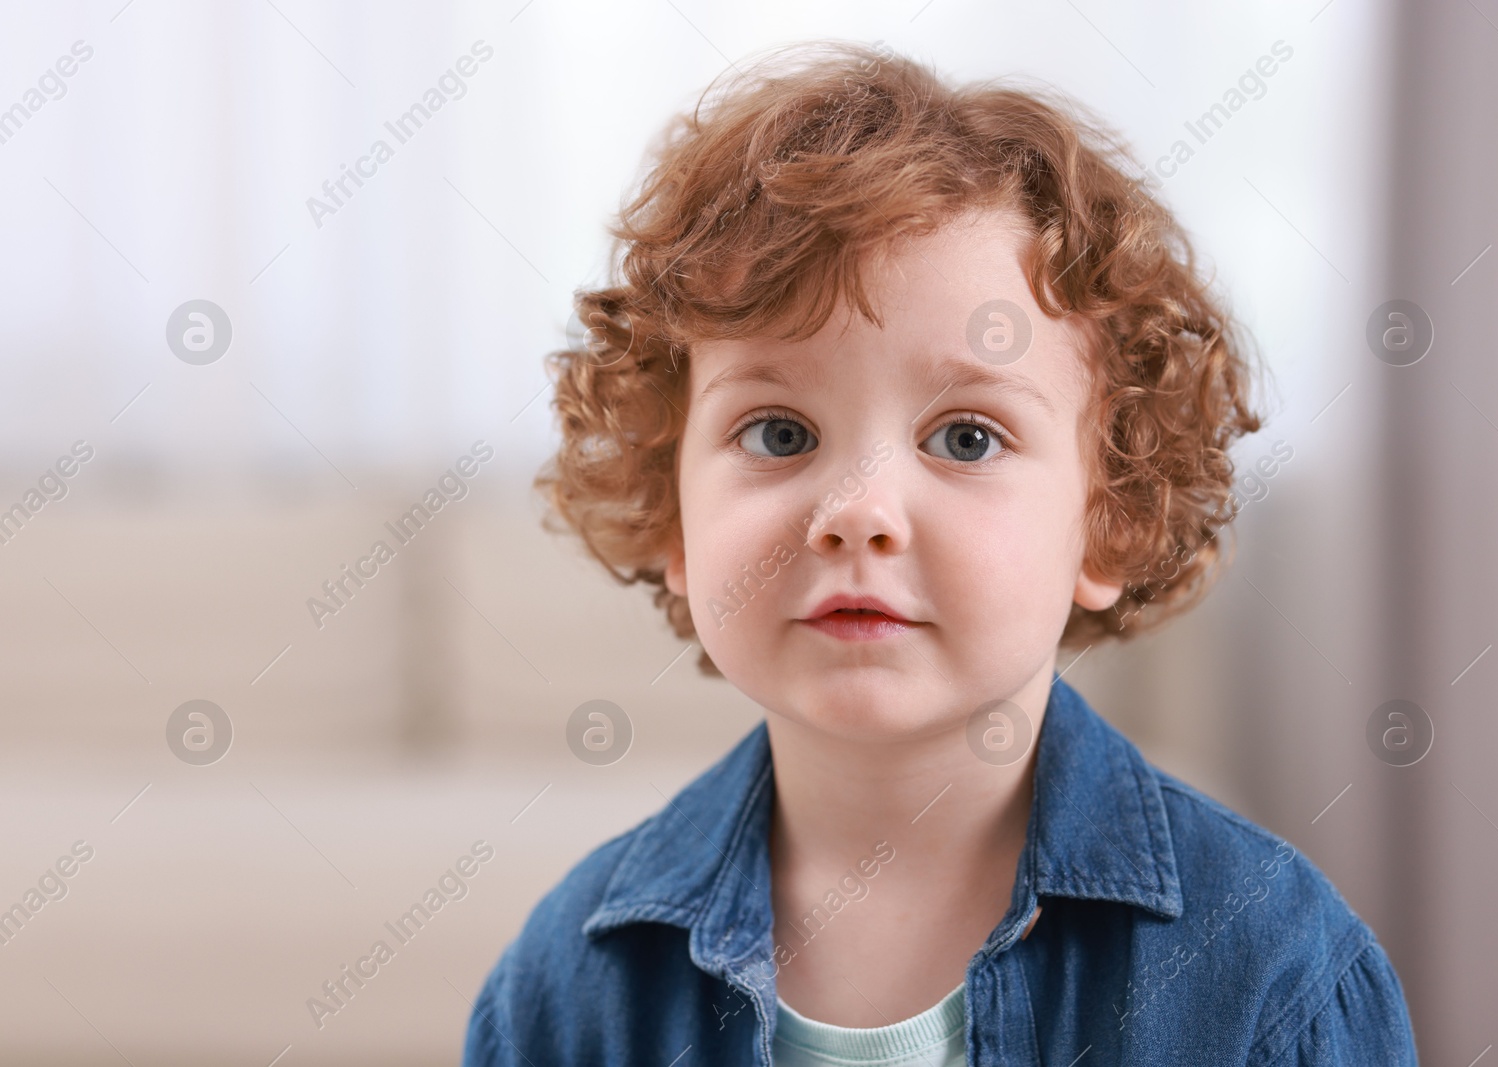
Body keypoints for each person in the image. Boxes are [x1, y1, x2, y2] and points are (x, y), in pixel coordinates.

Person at [463, 39, 1418, 1066]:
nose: (858, 511)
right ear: (669, 515)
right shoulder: (569, 986)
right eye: (779, 432)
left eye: (966, 436)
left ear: (1112, 519)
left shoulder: (1273, 970)